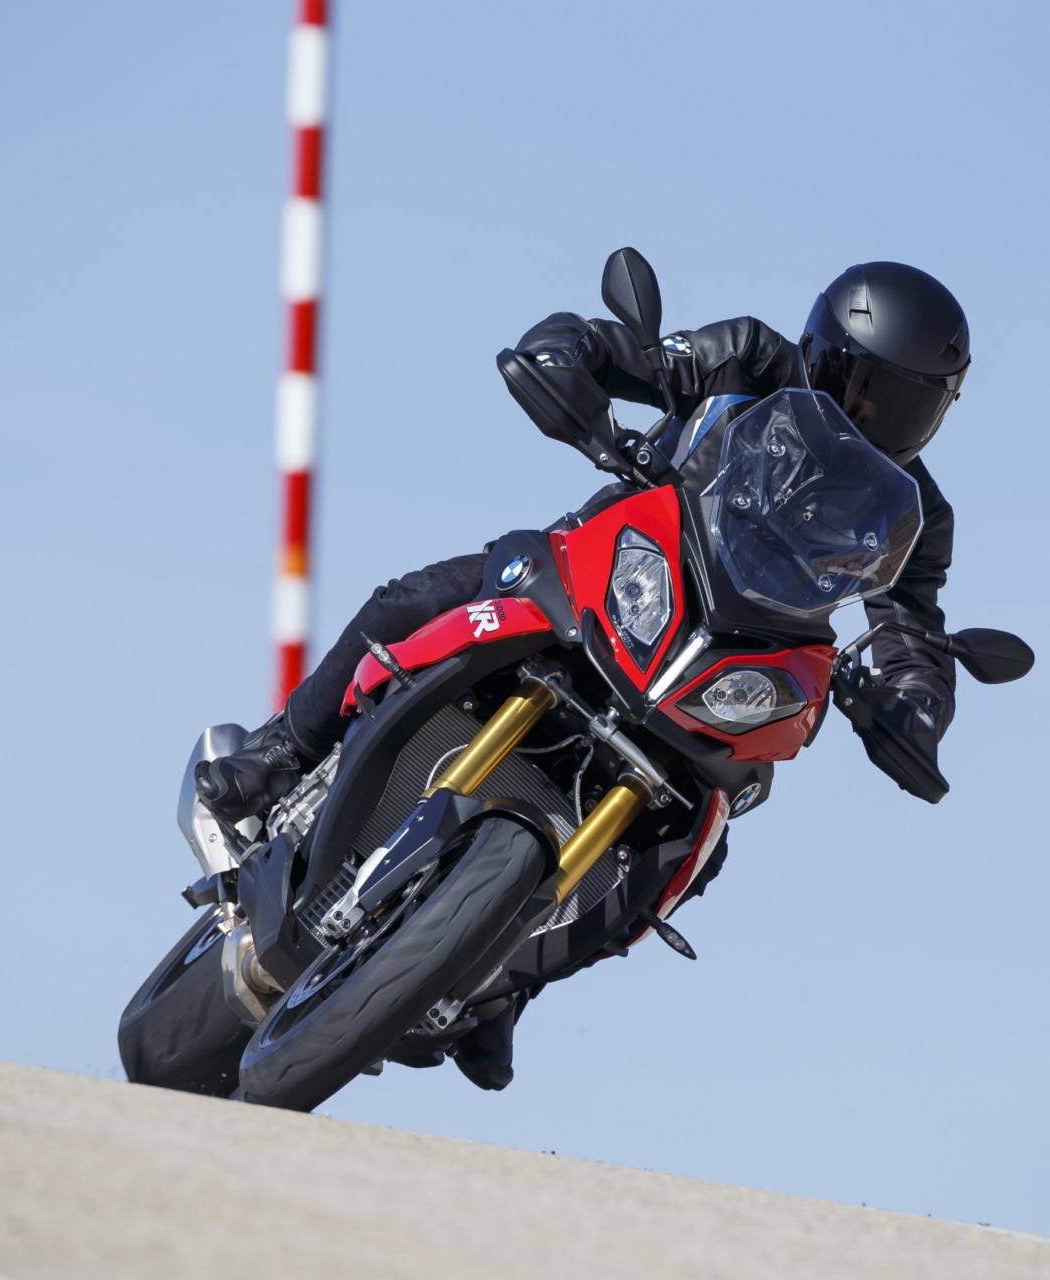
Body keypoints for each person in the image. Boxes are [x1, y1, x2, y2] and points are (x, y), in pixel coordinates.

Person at [196, 260, 972, 1085]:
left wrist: (915, 702)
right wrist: (573, 361)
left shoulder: (916, 516)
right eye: (861, 383)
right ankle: (282, 749)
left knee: (698, 844)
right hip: (611, 574)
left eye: (903, 403)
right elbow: (637, 358)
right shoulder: (749, 359)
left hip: (729, 667)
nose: (867, 413)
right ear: (820, 349)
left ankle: (504, 989)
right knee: (416, 598)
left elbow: (913, 628)